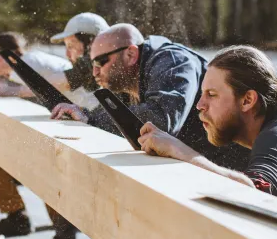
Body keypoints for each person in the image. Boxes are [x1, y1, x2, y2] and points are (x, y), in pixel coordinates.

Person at [0, 13, 109, 239]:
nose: (68, 53)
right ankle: (39, 229)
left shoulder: (93, 62)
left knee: (48, 167)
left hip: (97, 132)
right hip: (86, 123)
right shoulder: (86, 63)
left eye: (72, 46)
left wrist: (11, 90)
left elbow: (60, 83)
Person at [52, 24, 249, 170]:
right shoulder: (129, 77)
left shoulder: (173, 61)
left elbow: (160, 121)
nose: (95, 73)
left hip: (246, 174)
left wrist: (91, 118)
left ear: (130, 54)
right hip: (206, 168)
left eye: (101, 62)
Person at [138, 46, 277, 203]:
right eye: (202, 94)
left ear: (247, 100)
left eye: (211, 94)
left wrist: (178, 150)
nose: (199, 105)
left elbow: (256, 196)